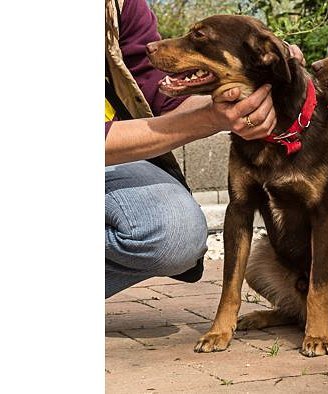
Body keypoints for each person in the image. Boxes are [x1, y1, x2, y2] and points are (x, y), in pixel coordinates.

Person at [104, 0, 303, 297]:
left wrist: (244, 96)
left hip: (112, 159)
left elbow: (164, 98)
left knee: (174, 233)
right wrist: (208, 119)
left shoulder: (118, 6)